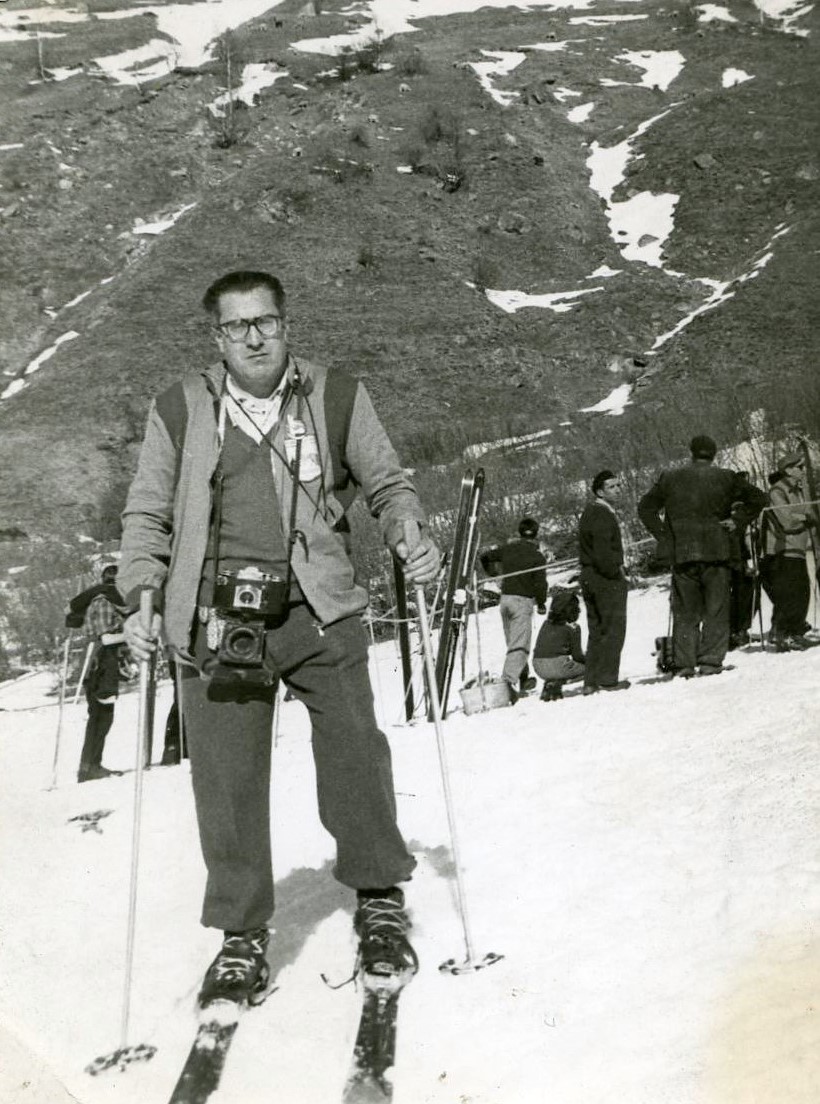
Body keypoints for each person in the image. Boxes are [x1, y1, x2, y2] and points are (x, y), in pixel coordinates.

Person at [119, 270, 439, 1009]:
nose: (254, 338)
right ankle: (240, 935)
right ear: (217, 337)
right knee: (226, 783)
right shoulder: (179, 407)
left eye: (265, 321)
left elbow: (388, 484)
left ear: (286, 325)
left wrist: (409, 533)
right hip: (215, 619)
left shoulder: (336, 394)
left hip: (318, 609)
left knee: (355, 755)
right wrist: (141, 593)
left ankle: (379, 899)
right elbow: (147, 514)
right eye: (237, 326)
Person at [638, 435, 766, 678]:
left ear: (692, 452)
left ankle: (684, 665)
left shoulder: (670, 478)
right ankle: (710, 662)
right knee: (716, 609)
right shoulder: (726, 477)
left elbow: (645, 508)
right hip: (717, 552)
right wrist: (737, 520)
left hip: (683, 554)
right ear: (714, 454)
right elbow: (759, 498)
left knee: (685, 612)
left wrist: (665, 536)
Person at [481, 517, 548, 701]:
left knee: (513, 641)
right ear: (536, 534)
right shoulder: (537, 556)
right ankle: (507, 683)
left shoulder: (508, 548)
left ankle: (523, 678)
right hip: (521, 602)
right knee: (520, 644)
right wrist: (542, 603)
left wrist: (493, 574)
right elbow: (540, 584)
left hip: (505, 601)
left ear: (520, 532)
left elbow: (485, 556)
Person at [72, 564, 127, 783]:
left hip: (98, 662)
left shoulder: (100, 600)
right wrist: (131, 635)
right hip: (100, 663)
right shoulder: (104, 602)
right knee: (101, 716)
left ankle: (90, 766)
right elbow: (106, 638)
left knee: (100, 715)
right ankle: (90, 767)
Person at [577, 469, 629, 694]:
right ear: (600, 492)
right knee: (613, 628)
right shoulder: (601, 514)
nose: (617, 490)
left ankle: (591, 681)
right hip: (604, 578)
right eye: (611, 487)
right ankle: (608, 679)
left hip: (590, 575)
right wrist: (616, 574)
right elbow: (602, 551)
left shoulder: (591, 512)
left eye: (618, 485)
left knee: (597, 629)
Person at [758, 452, 815, 651]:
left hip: (797, 547)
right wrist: (806, 519)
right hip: (783, 549)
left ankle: (794, 632)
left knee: (801, 592)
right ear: (789, 470)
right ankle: (783, 634)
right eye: (800, 467)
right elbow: (786, 519)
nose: (803, 471)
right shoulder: (778, 490)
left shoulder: (799, 490)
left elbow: (808, 512)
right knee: (790, 594)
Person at [532, 590, 585, 701]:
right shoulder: (573, 627)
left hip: (538, 666)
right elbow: (577, 656)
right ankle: (558, 682)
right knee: (590, 668)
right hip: (558, 666)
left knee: (563, 664)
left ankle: (551, 682)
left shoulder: (546, 623)